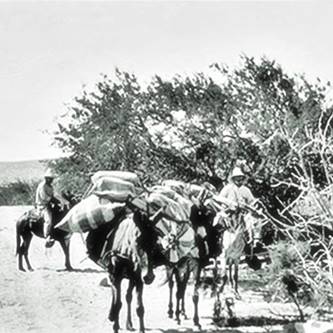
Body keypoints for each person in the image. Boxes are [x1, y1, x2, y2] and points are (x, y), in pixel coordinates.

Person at [35, 168, 68, 247]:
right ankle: (47, 236)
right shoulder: (42, 186)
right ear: (46, 178)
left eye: (51, 179)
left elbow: (53, 195)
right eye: (49, 178)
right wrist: (56, 201)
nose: (50, 180)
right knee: (48, 220)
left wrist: (60, 202)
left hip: (49, 204)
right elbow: (46, 198)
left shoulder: (50, 186)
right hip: (42, 205)